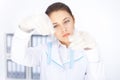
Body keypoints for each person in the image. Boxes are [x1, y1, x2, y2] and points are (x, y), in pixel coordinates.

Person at [11, 2, 105, 80]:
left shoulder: (87, 49)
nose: (63, 29)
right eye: (55, 25)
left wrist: (93, 52)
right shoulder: (44, 50)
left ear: (73, 19)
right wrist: (24, 28)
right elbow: (18, 57)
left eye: (66, 21)